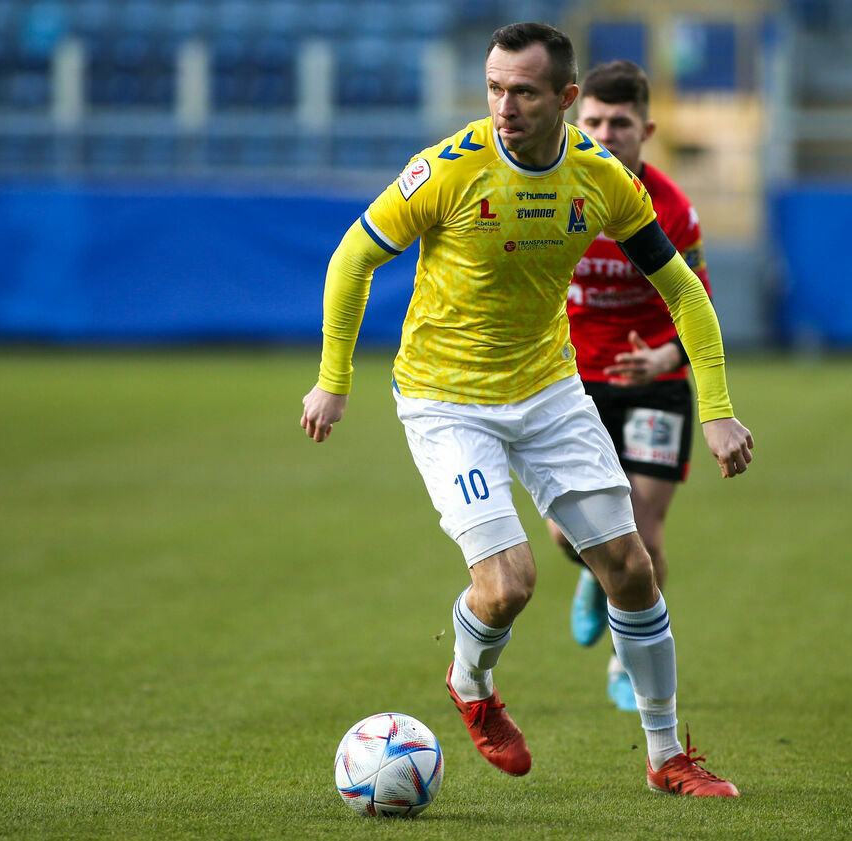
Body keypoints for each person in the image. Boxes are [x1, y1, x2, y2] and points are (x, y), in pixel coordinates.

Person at [300, 22, 754, 798]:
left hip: (548, 391)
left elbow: (683, 290)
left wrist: (716, 408)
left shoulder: (600, 178)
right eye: (494, 88)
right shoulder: (449, 169)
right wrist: (331, 379)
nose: (504, 106)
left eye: (524, 92)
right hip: (447, 401)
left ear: (566, 98)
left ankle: (665, 756)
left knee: (632, 568)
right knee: (510, 583)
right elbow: (353, 258)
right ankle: (471, 684)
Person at [551, 60, 713, 713]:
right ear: (575, 122)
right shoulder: (551, 193)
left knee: (643, 537)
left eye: (619, 123)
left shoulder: (671, 209)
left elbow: (699, 302)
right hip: (569, 385)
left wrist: (665, 356)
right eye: (592, 121)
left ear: (645, 130)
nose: (604, 133)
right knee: (568, 534)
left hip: (655, 385)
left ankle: (624, 659)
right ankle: (598, 576)